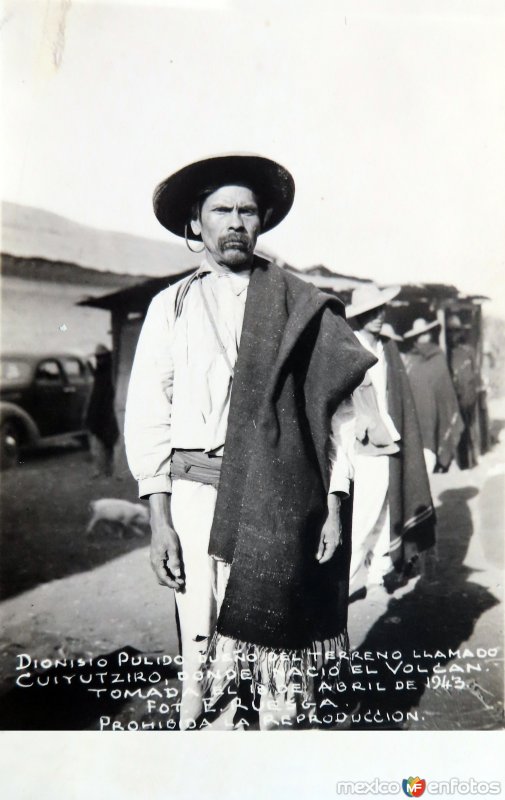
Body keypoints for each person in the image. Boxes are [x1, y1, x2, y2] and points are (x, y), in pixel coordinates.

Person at [124, 153, 375, 730]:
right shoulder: (172, 307)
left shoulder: (300, 303)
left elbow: (335, 414)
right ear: (196, 223)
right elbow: (147, 414)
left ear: (261, 222)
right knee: (202, 629)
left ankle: (274, 746)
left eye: (247, 210)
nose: (236, 221)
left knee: (278, 652)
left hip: (282, 500)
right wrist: (159, 519)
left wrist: (335, 503)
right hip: (195, 498)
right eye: (221, 210)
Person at [345, 285, 436, 597]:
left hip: (390, 441)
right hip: (361, 445)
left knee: (387, 508)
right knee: (364, 511)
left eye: (382, 309)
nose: (379, 316)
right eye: (372, 311)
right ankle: (343, 582)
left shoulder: (388, 350)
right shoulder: (349, 349)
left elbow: (398, 398)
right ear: (359, 315)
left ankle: (377, 571)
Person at [403, 318, 463, 473]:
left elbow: (446, 391)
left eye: (425, 333)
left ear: (429, 334)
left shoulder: (437, 358)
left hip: (433, 416)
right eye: (421, 334)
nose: (424, 337)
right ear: (416, 337)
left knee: (427, 459)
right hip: (416, 417)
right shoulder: (410, 360)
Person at [446, 314, 479, 469]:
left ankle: (472, 460)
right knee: (459, 430)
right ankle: (462, 463)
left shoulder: (468, 352)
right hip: (455, 398)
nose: (454, 335)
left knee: (470, 428)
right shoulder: (447, 353)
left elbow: (474, 374)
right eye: (451, 331)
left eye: (456, 331)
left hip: (468, 397)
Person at [85, 344, 119, 477]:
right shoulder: (103, 371)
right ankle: (103, 469)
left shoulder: (108, 371)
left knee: (108, 440)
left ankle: (107, 469)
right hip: (100, 409)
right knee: (102, 441)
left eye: (102, 358)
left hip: (106, 409)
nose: (100, 361)